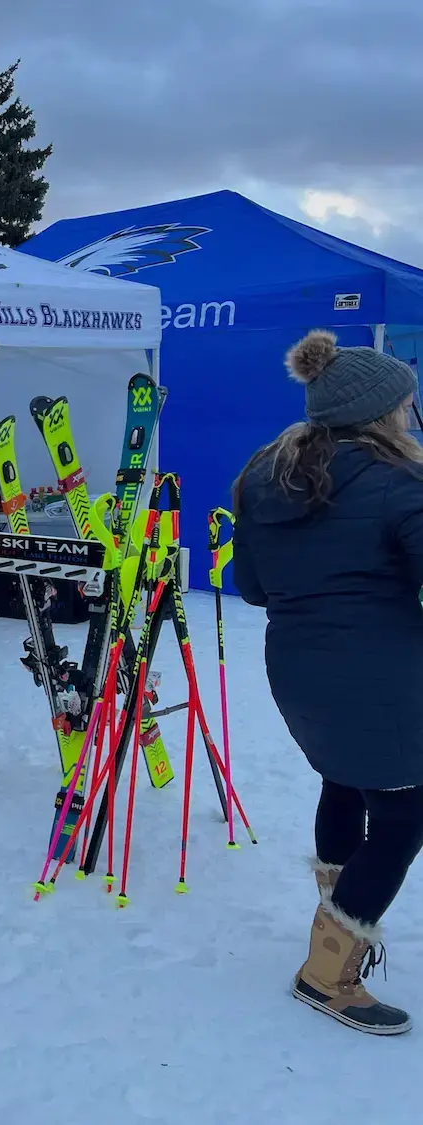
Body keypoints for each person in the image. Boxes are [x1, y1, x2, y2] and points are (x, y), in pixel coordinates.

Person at [232, 329, 423, 1036]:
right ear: (380, 411)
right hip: (380, 680)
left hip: (300, 675)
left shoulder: (265, 473)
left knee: (343, 781)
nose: (410, 415)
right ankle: (327, 972)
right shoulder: (401, 481)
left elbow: (249, 585)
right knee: (404, 814)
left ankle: (336, 915)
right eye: (406, 405)